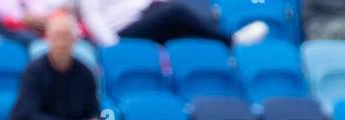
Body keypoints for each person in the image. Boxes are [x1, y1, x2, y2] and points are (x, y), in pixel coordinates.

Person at [0, 13, 105, 120]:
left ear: (75, 39)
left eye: (66, 36)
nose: (61, 42)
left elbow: (94, 109)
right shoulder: (33, 72)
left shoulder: (85, 73)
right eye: (57, 36)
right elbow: (28, 114)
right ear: (47, 38)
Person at [77, 0, 270, 46]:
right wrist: (113, 45)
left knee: (185, 16)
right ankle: (231, 41)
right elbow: (91, 16)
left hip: (145, 17)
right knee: (176, 12)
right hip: (123, 32)